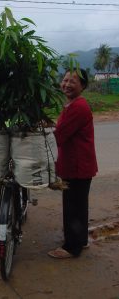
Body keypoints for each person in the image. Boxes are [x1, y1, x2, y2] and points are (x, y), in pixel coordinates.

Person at [48, 68, 98, 259]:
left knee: (73, 207)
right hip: (79, 163)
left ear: (83, 86)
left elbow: (59, 135)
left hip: (77, 166)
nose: (66, 84)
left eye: (73, 81)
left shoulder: (78, 106)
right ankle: (81, 241)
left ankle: (71, 247)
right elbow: (62, 128)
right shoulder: (73, 104)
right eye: (65, 79)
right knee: (78, 205)